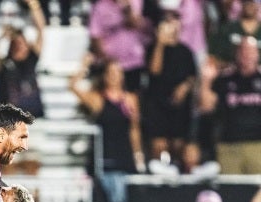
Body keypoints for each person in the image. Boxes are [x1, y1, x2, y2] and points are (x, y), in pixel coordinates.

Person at [69, 54, 145, 202]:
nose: (114, 77)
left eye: (117, 73)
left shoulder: (130, 99)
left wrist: (138, 154)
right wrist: (84, 66)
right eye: (110, 73)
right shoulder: (98, 99)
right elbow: (72, 86)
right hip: (104, 158)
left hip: (124, 157)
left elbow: (134, 129)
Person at [199, 36, 261, 174]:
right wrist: (206, 81)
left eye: (251, 51)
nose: (247, 55)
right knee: (230, 191)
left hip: (258, 146)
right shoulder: (224, 79)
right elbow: (206, 107)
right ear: (236, 54)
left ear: (257, 54)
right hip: (229, 147)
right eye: (243, 51)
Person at [144, 4, 197, 164]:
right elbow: (154, 71)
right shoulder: (152, 48)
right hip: (158, 105)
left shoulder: (186, 51)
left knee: (178, 146)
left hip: (179, 107)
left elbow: (192, 75)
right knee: (159, 147)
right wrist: (160, 43)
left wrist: (184, 87)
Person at [0, 0, 46, 119]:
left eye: (23, 43)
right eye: (17, 44)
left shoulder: (31, 59)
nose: (20, 47)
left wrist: (33, 4)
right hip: (8, 120)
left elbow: (41, 29)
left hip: (33, 116)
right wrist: (1, 37)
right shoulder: (5, 64)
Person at [88, 0, 153, 93]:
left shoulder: (138, 2)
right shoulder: (101, 6)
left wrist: (128, 10)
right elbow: (95, 35)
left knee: (132, 99)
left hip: (133, 64)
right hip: (110, 66)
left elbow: (143, 27)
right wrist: (106, 60)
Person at [208, 0, 261, 68]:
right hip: (230, 73)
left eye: (252, 2)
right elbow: (212, 55)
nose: (250, 5)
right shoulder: (227, 29)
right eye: (247, 2)